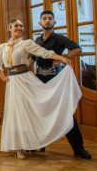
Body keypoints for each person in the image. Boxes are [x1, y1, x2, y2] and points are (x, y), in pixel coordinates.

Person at [0, 19, 80, 159]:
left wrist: (62, 58)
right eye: (16, 26)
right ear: (9, 28)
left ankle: (30, 143)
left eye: (21, 25)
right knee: (15, 112)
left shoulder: (26, 43)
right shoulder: (2, 46)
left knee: (28, 111)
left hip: (25, 78)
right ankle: (19, 147)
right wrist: (1, 75)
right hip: (12, 81)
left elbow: (44, 52)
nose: (19, 28)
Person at [28, 10, 91, 159]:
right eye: (44, 19)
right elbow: (32, 59)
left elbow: (77, 49)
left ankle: (78, 148)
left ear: (54, 22)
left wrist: (64, 58)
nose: (47, 21)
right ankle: (39, 144)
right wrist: (19, 71)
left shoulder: (60, 39)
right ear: (40, 23)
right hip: (39, 80)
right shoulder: (37, 41)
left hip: (55, 80)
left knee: (65, 112)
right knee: (39, 112)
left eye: (50, 19)